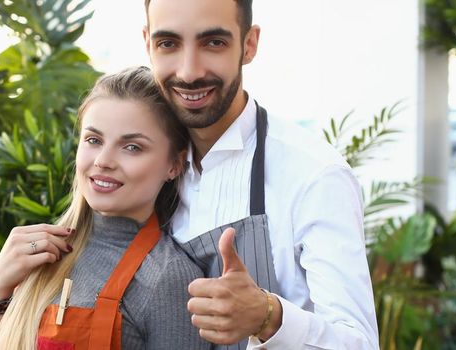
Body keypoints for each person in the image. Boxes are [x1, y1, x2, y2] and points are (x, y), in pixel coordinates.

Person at [142, 0, 379, 348]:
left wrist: (268, 317)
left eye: (214, 42)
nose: (189, 71)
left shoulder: (314, 175)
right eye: (168, 44)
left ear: (249, 44)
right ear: (148, 44)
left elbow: (359, 343)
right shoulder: (146, 165)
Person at [0, 66, 211, 350]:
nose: (103, 160)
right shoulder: (42, 252)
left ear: (174, 164)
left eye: (132, 147)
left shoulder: (169, 279)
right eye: (94, 140)